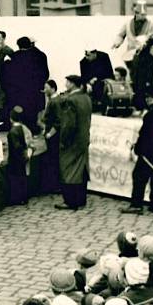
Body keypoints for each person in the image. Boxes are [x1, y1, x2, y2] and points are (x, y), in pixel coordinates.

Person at [122, 91, 153, 215]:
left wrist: (138, 148)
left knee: (139, 177)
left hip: (148, 154)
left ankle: (136, 204)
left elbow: (145, 135)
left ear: (151, 99)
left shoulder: (150, 115)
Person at [55, 75, 92, 211]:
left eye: (67, 82)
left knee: (68, 171)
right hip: (83, 140)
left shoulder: (71, 101)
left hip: (72, 142)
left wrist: (63, 141)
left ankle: (70, 201)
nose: (65, 84)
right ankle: (81, 199)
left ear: (72, 84)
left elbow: (68, 125)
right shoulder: (86, 98)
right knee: (82, 170)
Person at [3, 36, 49, 132]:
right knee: (33, 111)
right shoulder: (39, 56)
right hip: (34, 90)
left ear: (18, 45)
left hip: (18, 91)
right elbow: (45, 73)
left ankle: (20, 130)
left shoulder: (14, 56)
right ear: (30, 44)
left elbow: (8, 74)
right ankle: (33, 130)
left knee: (20, 111)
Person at [113, 0, 153, 81]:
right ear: (136, 13)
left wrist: (147, 40)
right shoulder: (128, 23)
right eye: (142, 15)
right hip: (130, 55)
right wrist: (117, 43)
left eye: (145, 14)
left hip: (144, 56)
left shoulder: (150, 24)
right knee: (133, 75)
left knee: (142, 77)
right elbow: (121, 35)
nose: (144, 16)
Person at [7, 106, 32, 206]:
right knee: (22, 178)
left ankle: (16, 198)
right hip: (22, 158)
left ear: (11, 118)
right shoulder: (22, 128)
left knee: (15, 180)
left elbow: (16, 146)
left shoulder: (12, 132)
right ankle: (23, 197)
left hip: (15, 160)